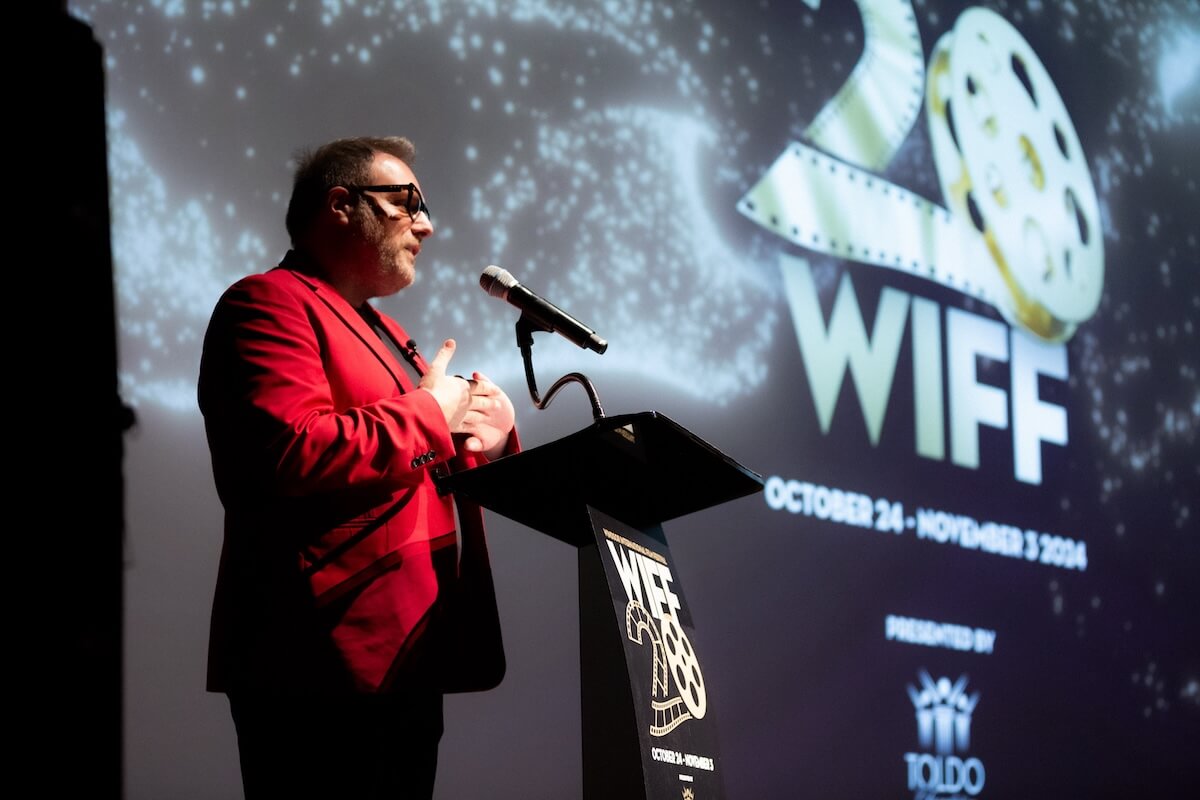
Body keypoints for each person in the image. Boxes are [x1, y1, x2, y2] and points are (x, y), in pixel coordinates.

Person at [197, 135, 518, 799]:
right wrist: (433, 412)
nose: (427, 224)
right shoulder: (267, 302)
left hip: (409, 653)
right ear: (341, 204)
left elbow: (410, 459)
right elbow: (293, 451)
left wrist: (487, 435)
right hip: (317, 653)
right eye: (408, 203)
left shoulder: (392, 335)